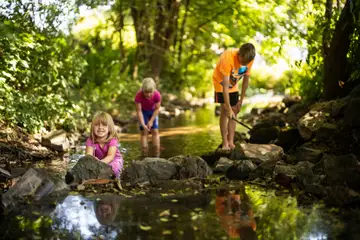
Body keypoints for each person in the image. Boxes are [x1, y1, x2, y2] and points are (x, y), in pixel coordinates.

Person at [213, 43, 256, 150]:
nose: (244, 64)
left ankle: (231, 142)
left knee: (234, 111)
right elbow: (225, 86)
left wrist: (241, 100)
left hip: (234, 83)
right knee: (225, 111)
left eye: (246, 63)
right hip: (221, 82)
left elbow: (246, 81)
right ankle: (225, 143)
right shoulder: (228, 58)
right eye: (243, 62)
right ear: (239, 55)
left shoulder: (250, 59)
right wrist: (227, 107)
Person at [85, 111, 124, 178]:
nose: (100, 127)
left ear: (109, 128)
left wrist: (99, 164)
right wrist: (91, 159)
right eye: (97, 125)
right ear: (92, 127)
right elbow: (88, 155)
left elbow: (111, 156)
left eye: (104, 125)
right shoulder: (91, 140)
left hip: (114, 160)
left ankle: (113, 179)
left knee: (112, 169)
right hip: (99, 161)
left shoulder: (112, 140)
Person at [135, 77, 161, 156]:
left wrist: (151, 121)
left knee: (155, 131)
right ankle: (144, 152)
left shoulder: (157, 95)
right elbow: (139, 111)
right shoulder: (138, 96)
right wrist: (143, 124)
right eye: (146, 92)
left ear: (154, 90)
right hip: (143, 112)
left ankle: (156, 152)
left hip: (153, 111)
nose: (148, 94)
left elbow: (157, 109)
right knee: (143, 131)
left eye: (150, 92)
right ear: (142, 90)